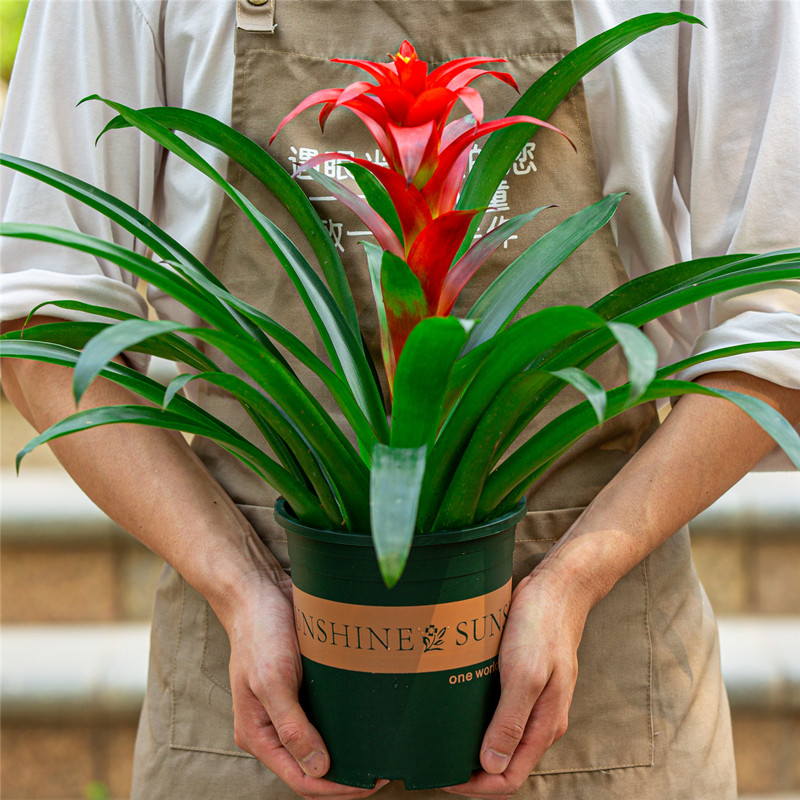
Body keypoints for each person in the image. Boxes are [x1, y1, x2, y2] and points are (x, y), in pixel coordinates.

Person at [2, 1, 799, 799]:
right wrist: (239, 585)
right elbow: (41, 321)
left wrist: (574, 580)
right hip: (250, 666)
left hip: (601, 670)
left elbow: (779, 321)